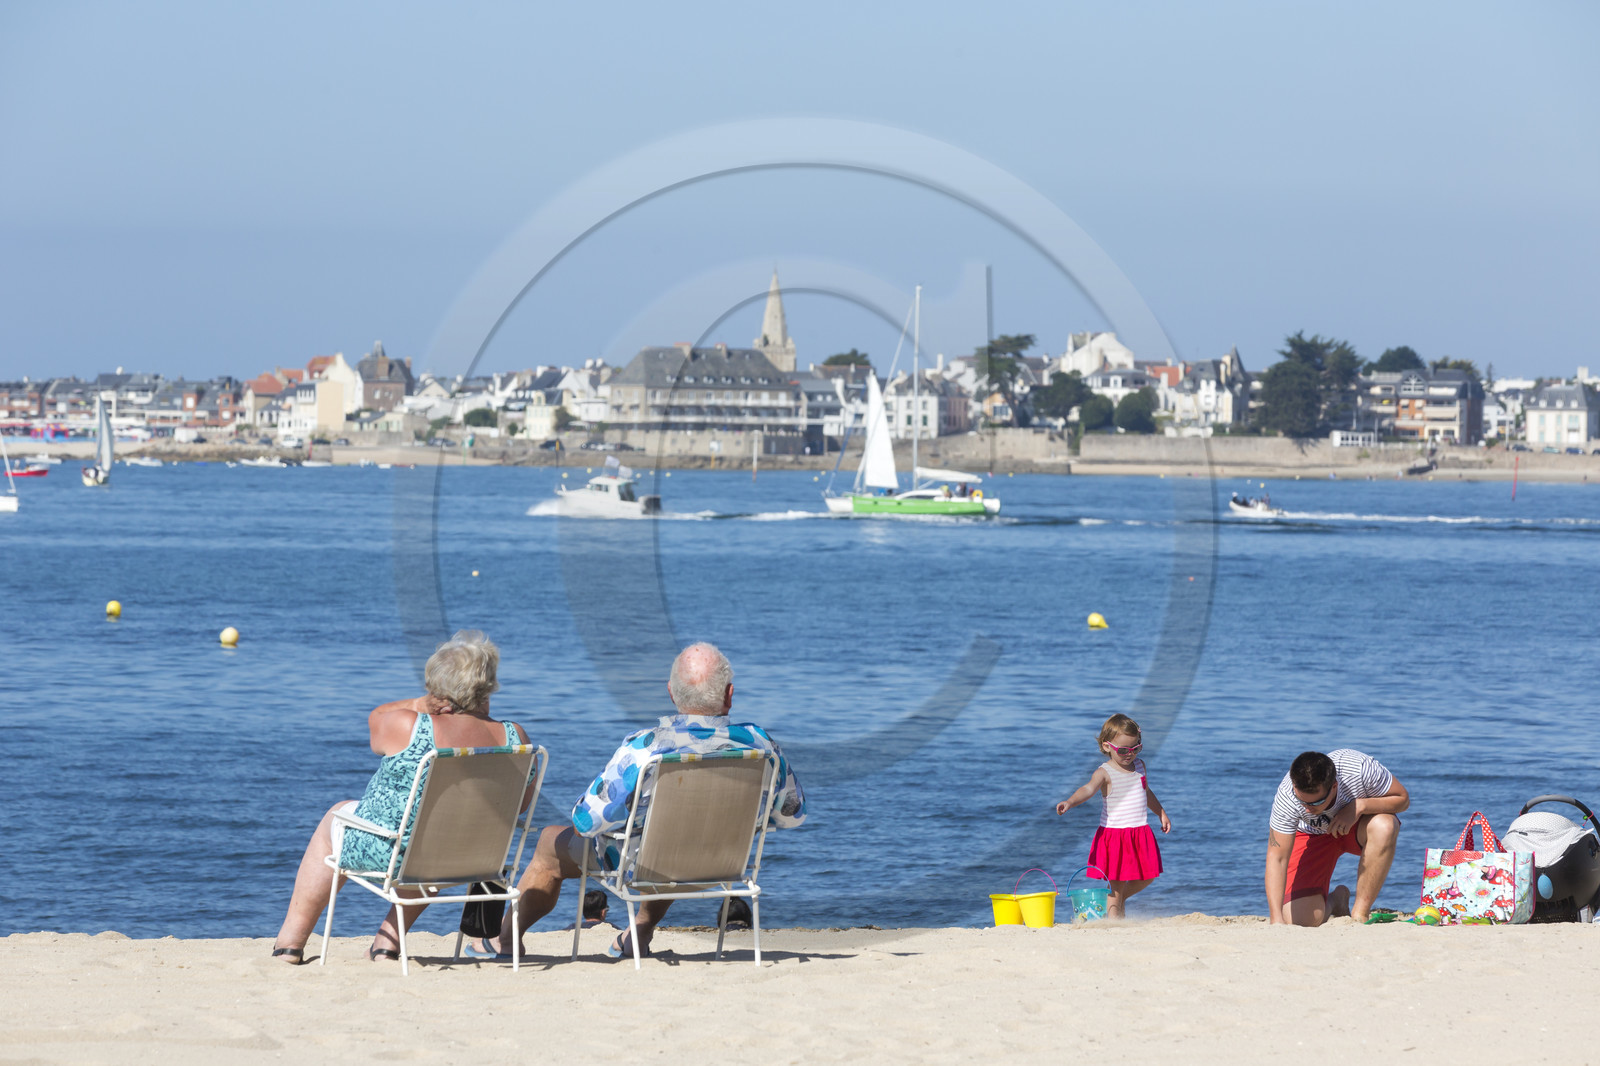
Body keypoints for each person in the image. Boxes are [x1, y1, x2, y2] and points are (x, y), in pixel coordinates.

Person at [472, 641, 805, 960]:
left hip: (649, 863)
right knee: (678, 837)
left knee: (550, 843)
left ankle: (505, 939)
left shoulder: (645, 748)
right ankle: (639, 932)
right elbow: (793, 813)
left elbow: (586, 821)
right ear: (729, 695)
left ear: (671, 692)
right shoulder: (762, 746)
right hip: (722, 860)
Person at [270, 631, 531, 964]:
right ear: (488, 684)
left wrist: (419, 705)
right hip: (473, 859)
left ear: (437, 687)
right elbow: (518, 806)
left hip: (399, 856)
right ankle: (386, 944)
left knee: (337, 817)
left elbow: (374, 720)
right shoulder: (516, 737)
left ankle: (290, 943)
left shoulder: (410, 725)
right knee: (437, 834)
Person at [1264, 749, 1408, 926]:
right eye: (1302, 801)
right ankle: (1336, 901)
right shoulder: (1287, 796)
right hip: (1312, 835)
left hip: (1355, 827)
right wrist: (1275, 919)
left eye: (1315, 803)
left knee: (1385, 826)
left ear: (1334, 787)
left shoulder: (1359, 769)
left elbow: (1402, 799)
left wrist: (1360, 805)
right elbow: (1277, 857)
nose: (1308, 809)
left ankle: (1360, 913)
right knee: (1299, 921)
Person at [1055, 713, 1171, 918]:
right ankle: (1115, 922)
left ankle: (1120, 901)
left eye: (1136, 748)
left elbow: (1146, 792)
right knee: (1116, 886)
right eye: (1124, 750)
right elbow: (1088, 789)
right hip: (1115, 836)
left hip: (1139, 831)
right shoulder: (1104, 772)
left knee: (1149, 875)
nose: (1130, 754)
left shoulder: (1140, 766)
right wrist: (1070, 801)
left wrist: (1161, 812)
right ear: (1107, 746)